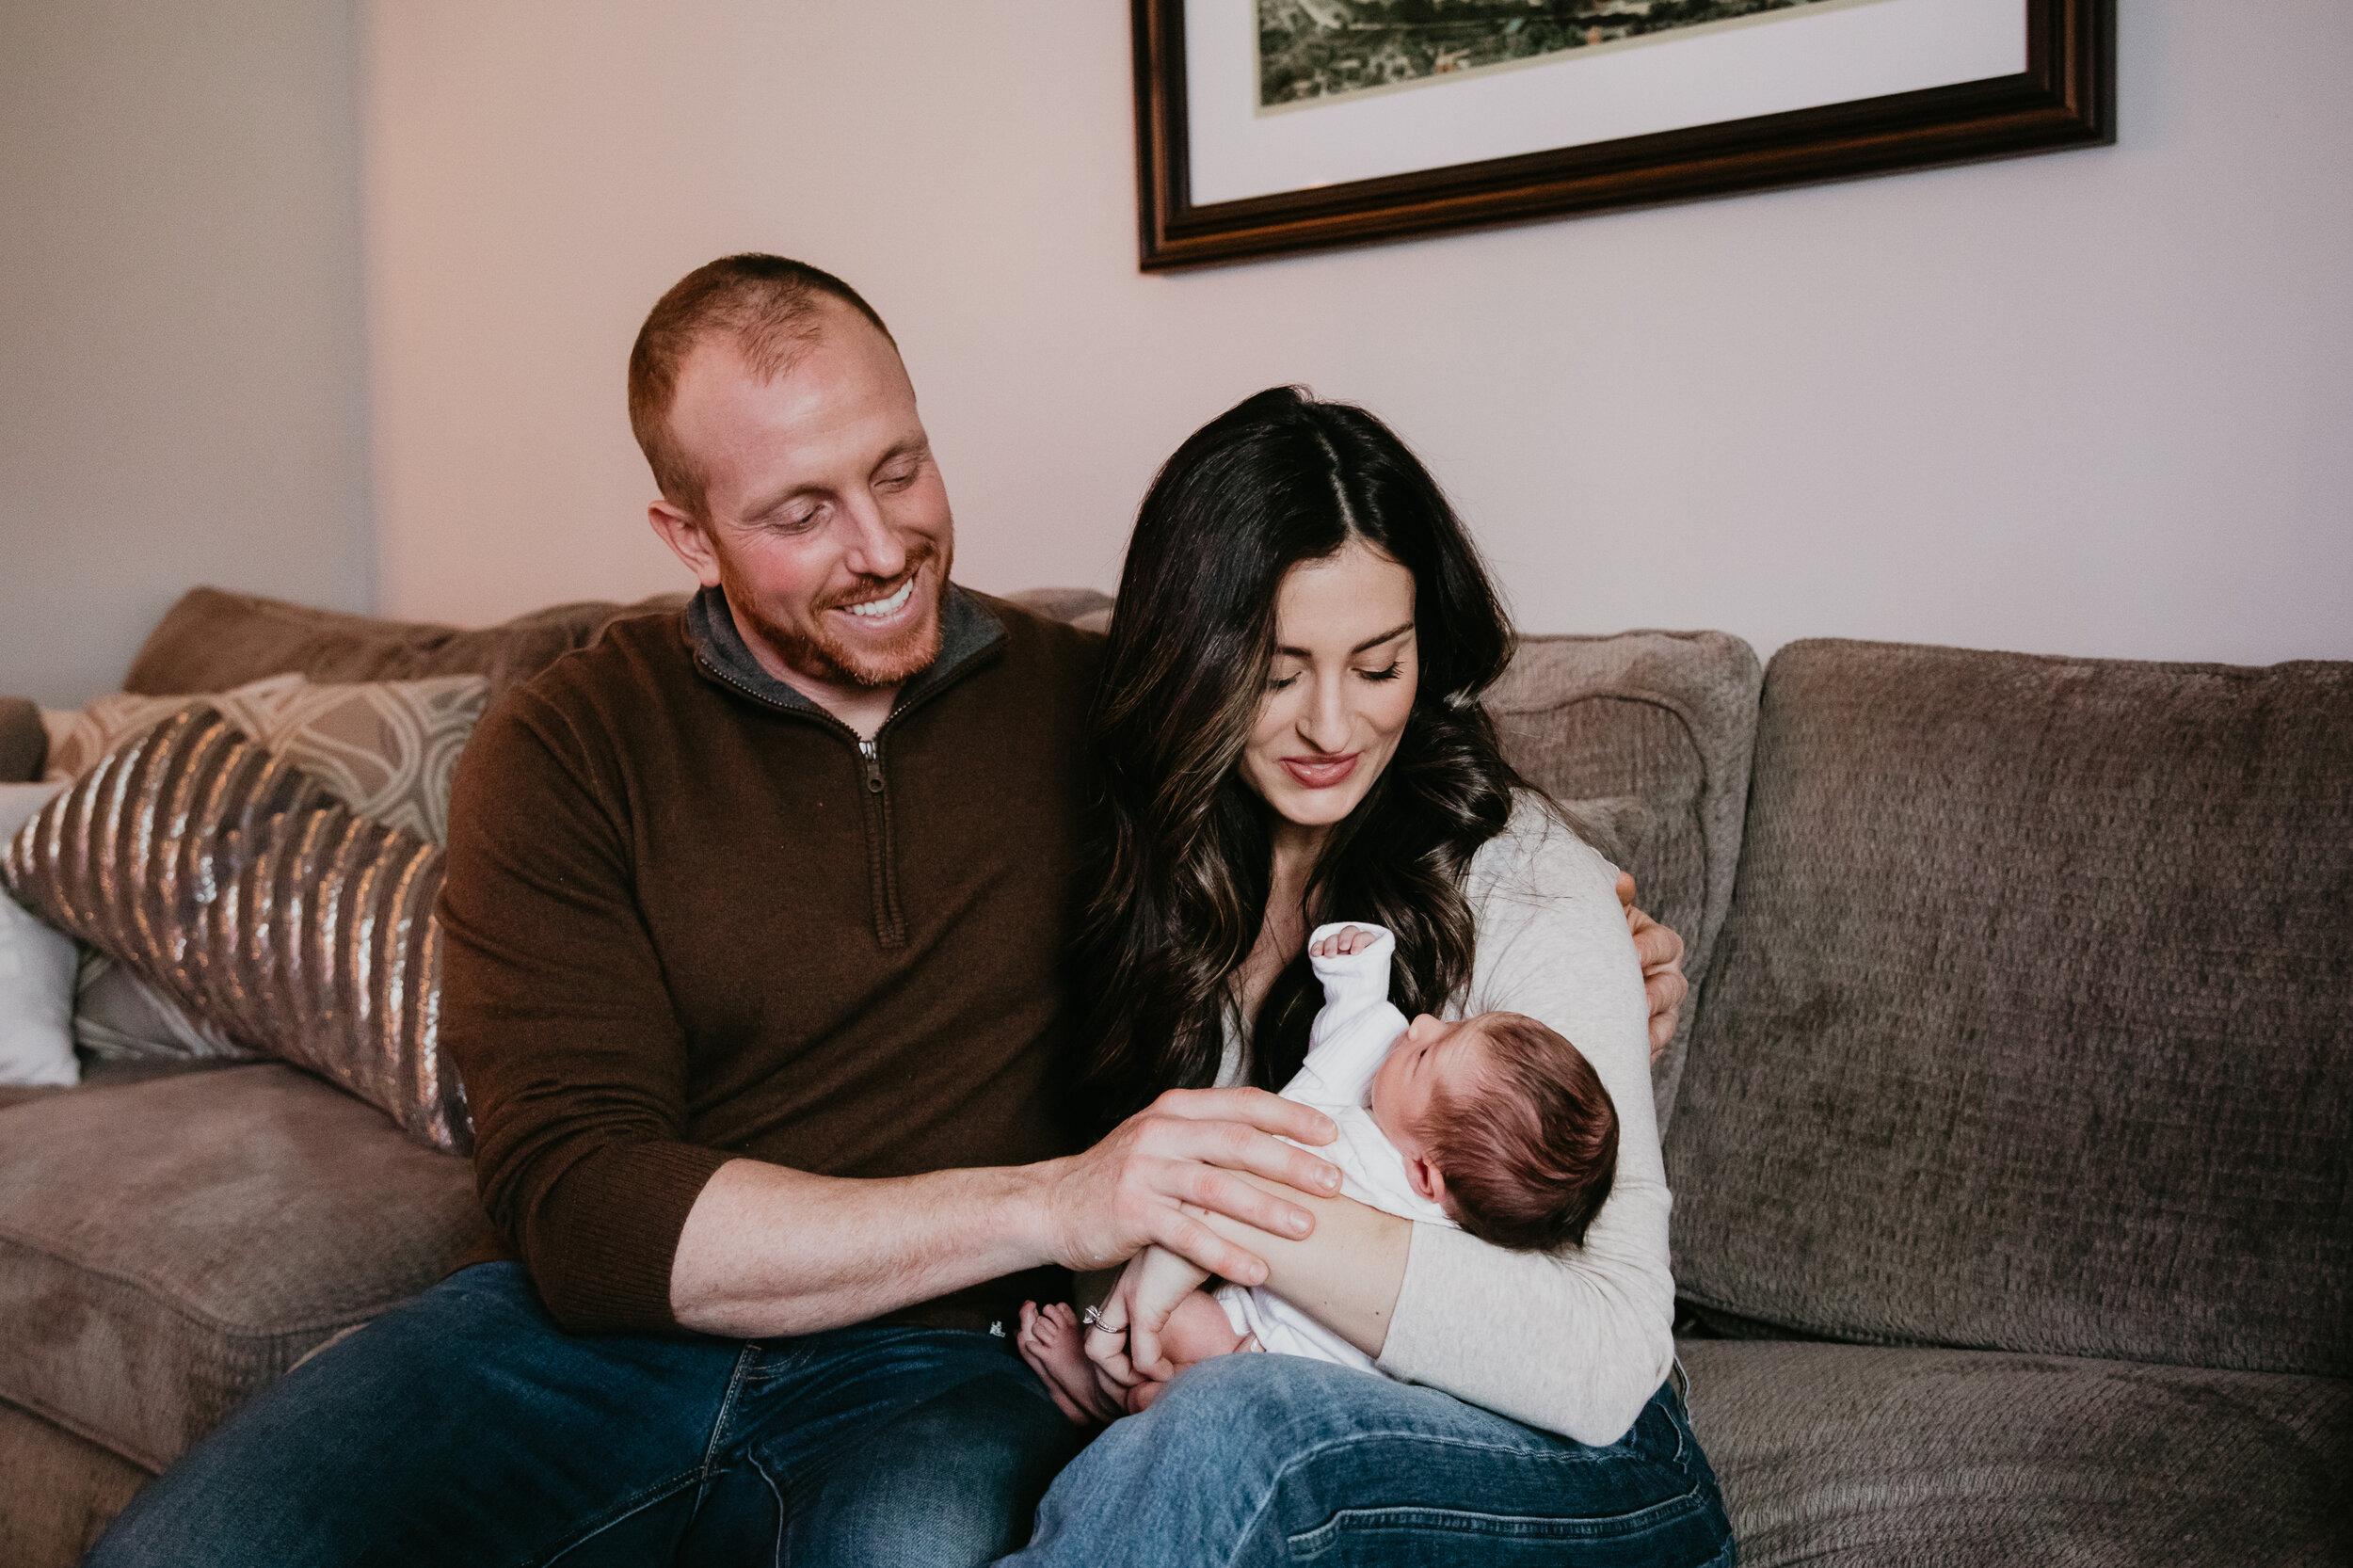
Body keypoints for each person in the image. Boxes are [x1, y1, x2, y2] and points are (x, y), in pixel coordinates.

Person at [84, 255, 1697, 1568]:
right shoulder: (574, 742)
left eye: (901, 468)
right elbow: (580, 1203)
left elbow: (1401, 869)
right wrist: (1066, 1208)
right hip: (600, 1335)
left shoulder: (1101, 716)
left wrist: (1584, 977)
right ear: (685, 534)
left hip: (949, 1363)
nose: (881, 550)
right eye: (798, 511)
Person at [995, 385, 1735, 1565]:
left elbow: (1603, 1358)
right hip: (1267, 1432)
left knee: (1237, 1426)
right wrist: (1134, 1334)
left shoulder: (1528, 883)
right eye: (1276, 673)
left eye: (1377, 664)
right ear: (1192, 665)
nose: (1330, 724)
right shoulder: (1151, 872)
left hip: (1579, 1473)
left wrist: (1208, 1234)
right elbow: (1103, 1232)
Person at [1017, 920, 1618, 1415]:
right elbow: (1360, 1033)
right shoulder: (1417, 1140)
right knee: (1164, 1326)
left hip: (1276, 1356)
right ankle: (1125, 1403)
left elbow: (1337, 1073)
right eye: (1453, 1024)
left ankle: (1106, 1399)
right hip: (1258, 1320)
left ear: (1426, 1177)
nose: (1424, 1023)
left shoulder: (1367, 1170)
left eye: (1429, 1052)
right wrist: (1359, 972)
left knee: (1178, 1333)